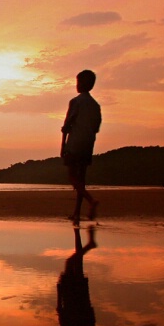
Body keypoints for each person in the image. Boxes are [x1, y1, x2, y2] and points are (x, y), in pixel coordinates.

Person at [60, 69, 102, 226]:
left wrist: (63, 145)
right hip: (88, 144)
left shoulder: (75, 102)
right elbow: (96, 127)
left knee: (72, 176)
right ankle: (77, 213)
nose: (76, 85)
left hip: (75, 143)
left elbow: (66, 126)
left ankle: (91, 200)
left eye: (78, 82)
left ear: (83, 84)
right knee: (81, 179)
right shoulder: (95, 105)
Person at [56, 226, 97, 326]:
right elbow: (60, 311)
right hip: (70, 294)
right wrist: (59, 291)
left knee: (77, 262)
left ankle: (79, 236)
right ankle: (88, 244)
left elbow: (91, 312)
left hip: (80, 294)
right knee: (71, 262)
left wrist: (85, 292)